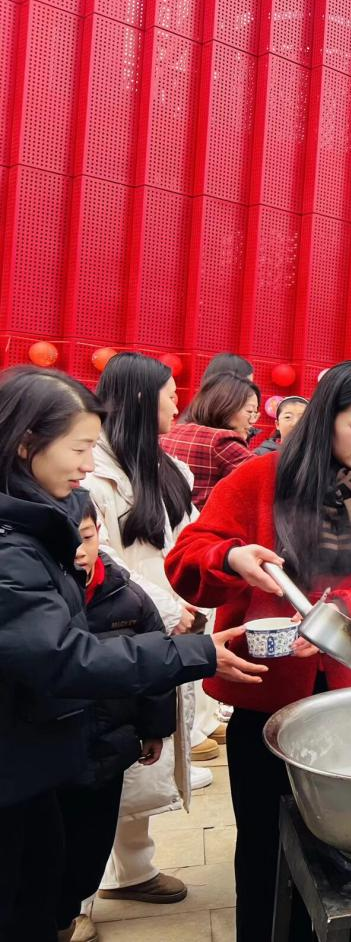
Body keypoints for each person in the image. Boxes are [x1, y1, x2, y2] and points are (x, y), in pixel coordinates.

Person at [164, 360, 351, 942]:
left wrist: (343, 611)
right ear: (325, 418)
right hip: (269, 701)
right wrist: (231, 559)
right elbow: (186, 559)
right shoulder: (260, 478)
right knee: (266, 838)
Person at [0, 366, 262, 942]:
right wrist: (189, 652)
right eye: (78, 447)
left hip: (37, 757)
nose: (87, 464)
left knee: (50, 882)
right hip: (21, 757)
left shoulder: (43, 520)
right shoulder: (13, 547)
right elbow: (65, 656)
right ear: (25, 443)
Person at [85, 353, 214, 910]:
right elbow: (102, 559)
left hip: (164, 628)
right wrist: (166, 607)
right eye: (168, 393)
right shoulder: (92, 475)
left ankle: (134, 869)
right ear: (140, 399)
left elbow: (183, 545)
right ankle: (75, 901)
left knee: (145, 760)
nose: (177, 402)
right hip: (115, 632)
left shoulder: (167, 467)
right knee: (105, 765)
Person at [54, 502, 177, 942]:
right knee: (51, 849)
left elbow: (157, 664)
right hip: (51, 754)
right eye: (70, 538)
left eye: (86, 536)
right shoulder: (38, 596)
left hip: (109, 746)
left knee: (92, 840)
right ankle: (62, 917)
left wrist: (155, 728)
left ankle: (76, 901)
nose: (80, 550)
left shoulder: (127, 595)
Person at [162, 372, 259, 508]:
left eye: (256, 413)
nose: (253, 420)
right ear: (226, 406)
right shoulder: (222, 441)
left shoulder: (172, 431)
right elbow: (265, 478)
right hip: (202, 522)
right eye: (249, 411)